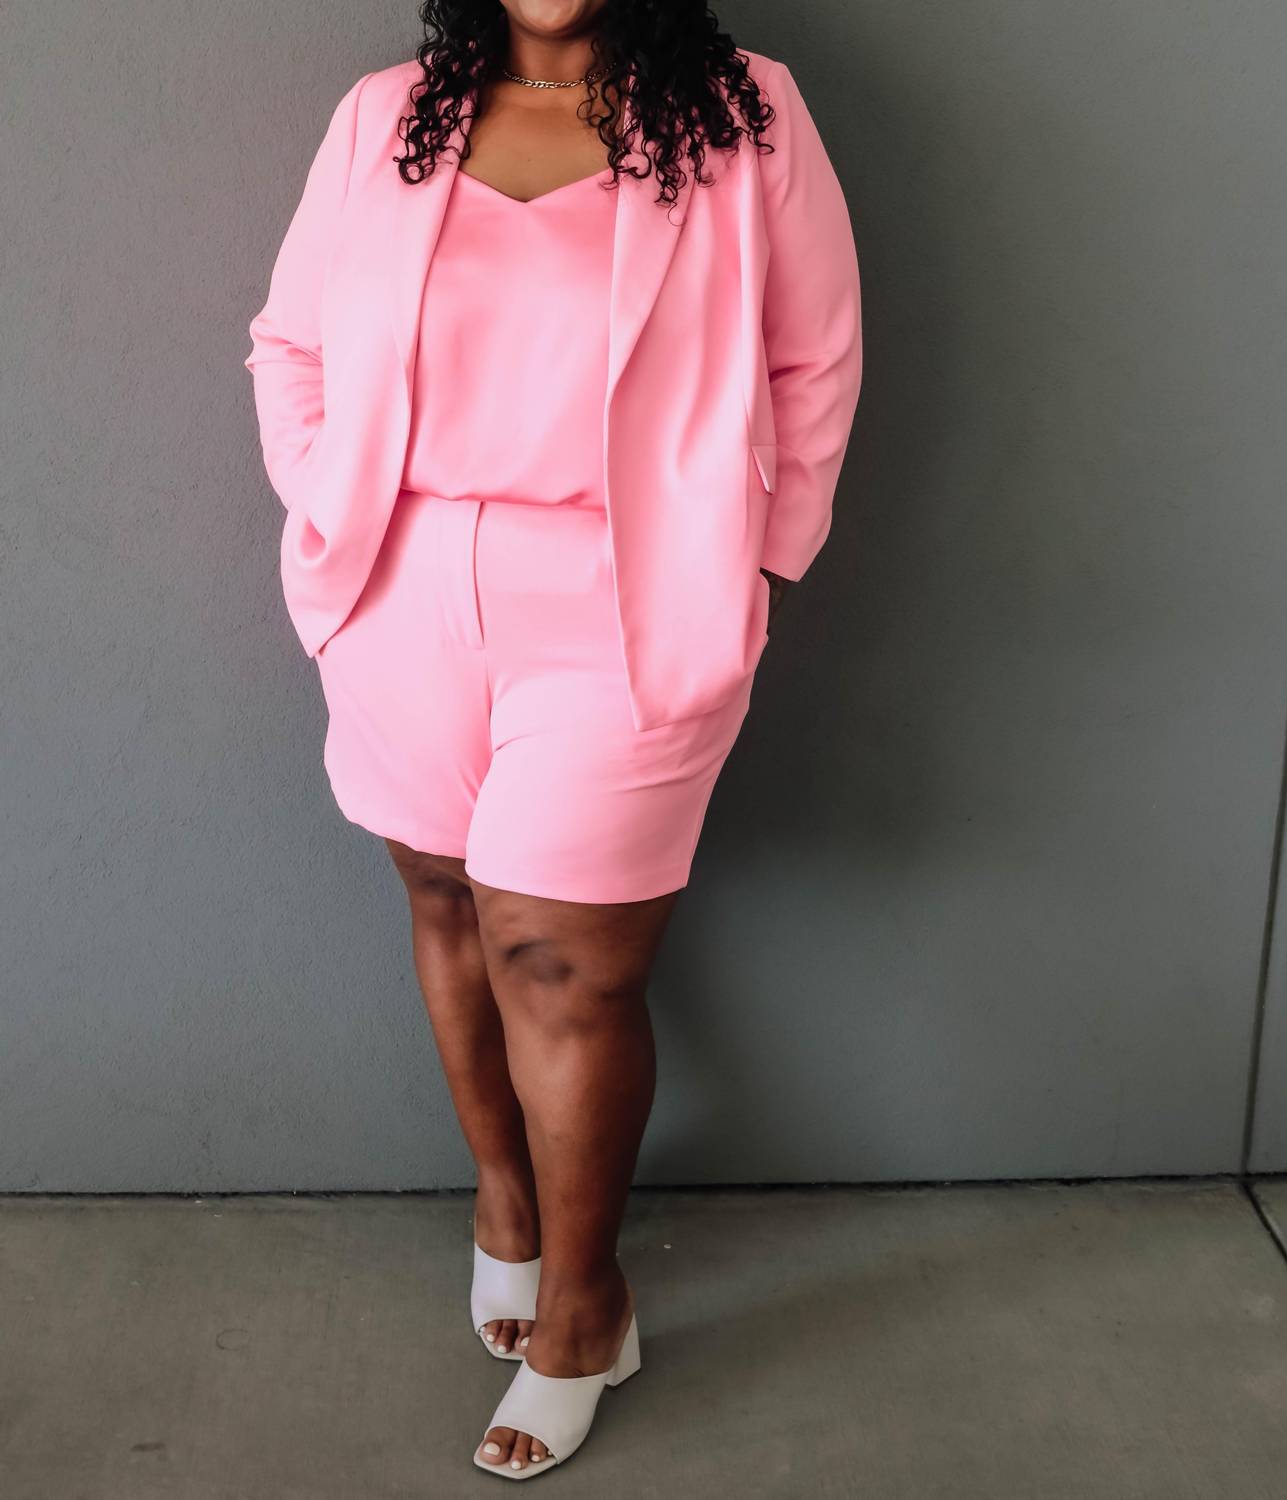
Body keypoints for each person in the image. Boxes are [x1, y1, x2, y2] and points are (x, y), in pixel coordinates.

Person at [243, 0, 861, 1478]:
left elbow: (817, 358)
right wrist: (332, 519)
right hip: (401, 586)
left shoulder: (745, 114)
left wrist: (760, 565)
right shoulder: (385, 116)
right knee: (443, 895)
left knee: (565, 962)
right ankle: (505, 1201)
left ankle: (585, 1304)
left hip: (626, 596)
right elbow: (290, 342)